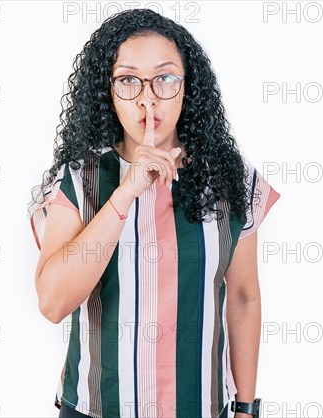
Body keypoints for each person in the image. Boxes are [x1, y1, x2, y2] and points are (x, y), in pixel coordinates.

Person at [27, 8, 281, 418]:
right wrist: (127, 191)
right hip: (96, 408)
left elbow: (244, 297)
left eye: (164, 78)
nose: (147, 97)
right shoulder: (81, 180)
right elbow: (53, 303)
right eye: (128, 80)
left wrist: (247, 407)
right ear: (107, 92)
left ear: (187, 87)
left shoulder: (233, 182)